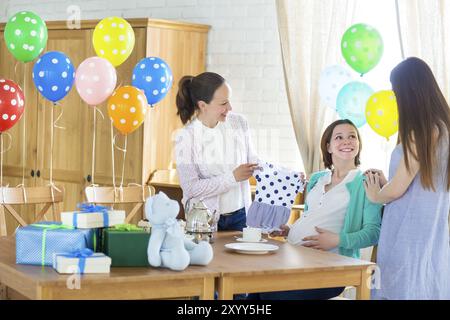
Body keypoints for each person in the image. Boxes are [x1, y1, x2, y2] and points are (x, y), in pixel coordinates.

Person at [247, 119, 382, 300]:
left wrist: (337, 240)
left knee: (270, 295)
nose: (347, 141)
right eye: (339, 137)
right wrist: (289, 230)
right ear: (328, 147)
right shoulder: (317, 179)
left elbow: (374, 233)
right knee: (251, 288)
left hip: (331, 269)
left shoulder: (366, 181)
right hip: (294, 258)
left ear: (358, 143)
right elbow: (312, 216)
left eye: (352, 136)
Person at [364, 57, 450, 300]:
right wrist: (385, 182)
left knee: (398, 288)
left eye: (396, 92)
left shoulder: (421, 132)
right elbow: (416, 181)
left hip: (406, 230)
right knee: (427, 285)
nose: (395, 98)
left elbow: (397, 190)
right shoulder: (444, 128)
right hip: (432, 230)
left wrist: (375, 195)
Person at [174, 72, 260, 231]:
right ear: (202, 105)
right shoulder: (185, 138)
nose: (230, 108)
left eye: (229, 101)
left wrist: (283, 175)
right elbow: (191, 188)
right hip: (205, 220)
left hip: (242, 215)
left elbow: (253, 160)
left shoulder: (239, 123)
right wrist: (232, 178)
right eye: (223, 103)